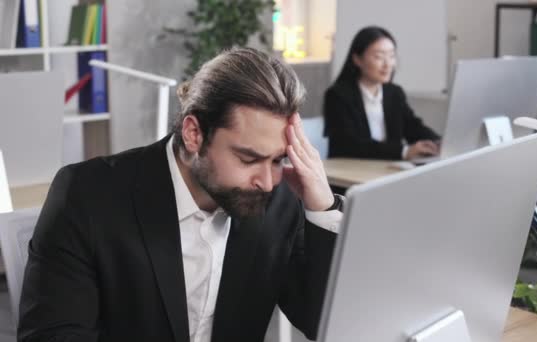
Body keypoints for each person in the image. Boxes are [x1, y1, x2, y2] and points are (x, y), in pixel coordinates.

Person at [18, 48, 344, 342]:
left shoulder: (275, 202)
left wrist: (322, 206)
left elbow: (326, 323)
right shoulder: (87, 195)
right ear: (194, 134)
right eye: (249, 159)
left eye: (278, 159)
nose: (267, 181)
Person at [323, 26, 440, 160]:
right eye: (379, 57)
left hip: (387, 169)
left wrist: (438, 142)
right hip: (350, 172)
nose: (388, 64)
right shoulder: (337, 95)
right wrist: (404, 151)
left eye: (391, 56)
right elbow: (349, 145)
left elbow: (413, 127)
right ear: (357, 59)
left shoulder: (394, 93)